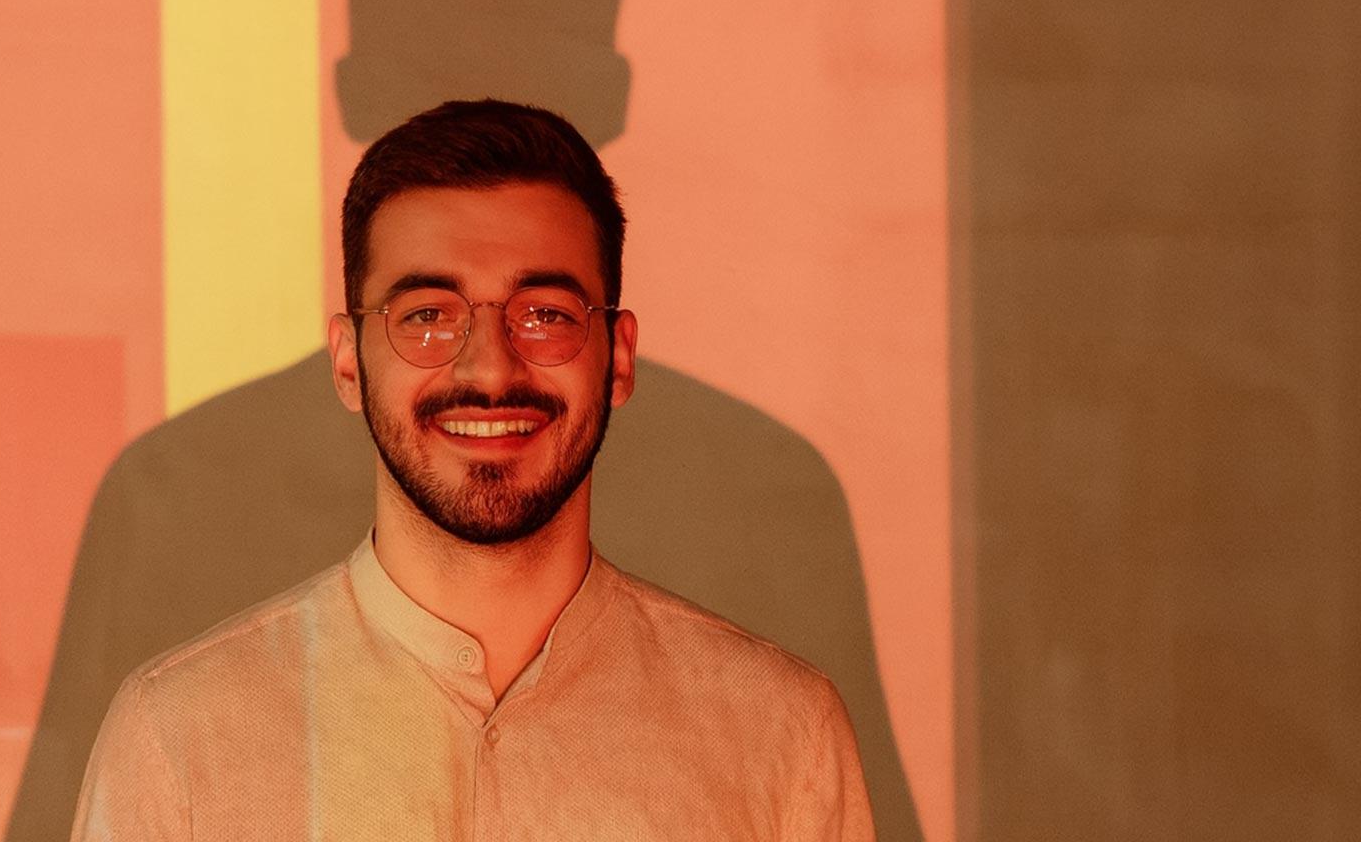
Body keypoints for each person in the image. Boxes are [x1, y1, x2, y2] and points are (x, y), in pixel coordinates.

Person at [71, 99, 875, 840]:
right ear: (349, 362)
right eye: (426, 316)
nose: (490, 368)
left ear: (619, 357)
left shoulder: (780, 733)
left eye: (545, 315)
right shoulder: (178, 737)